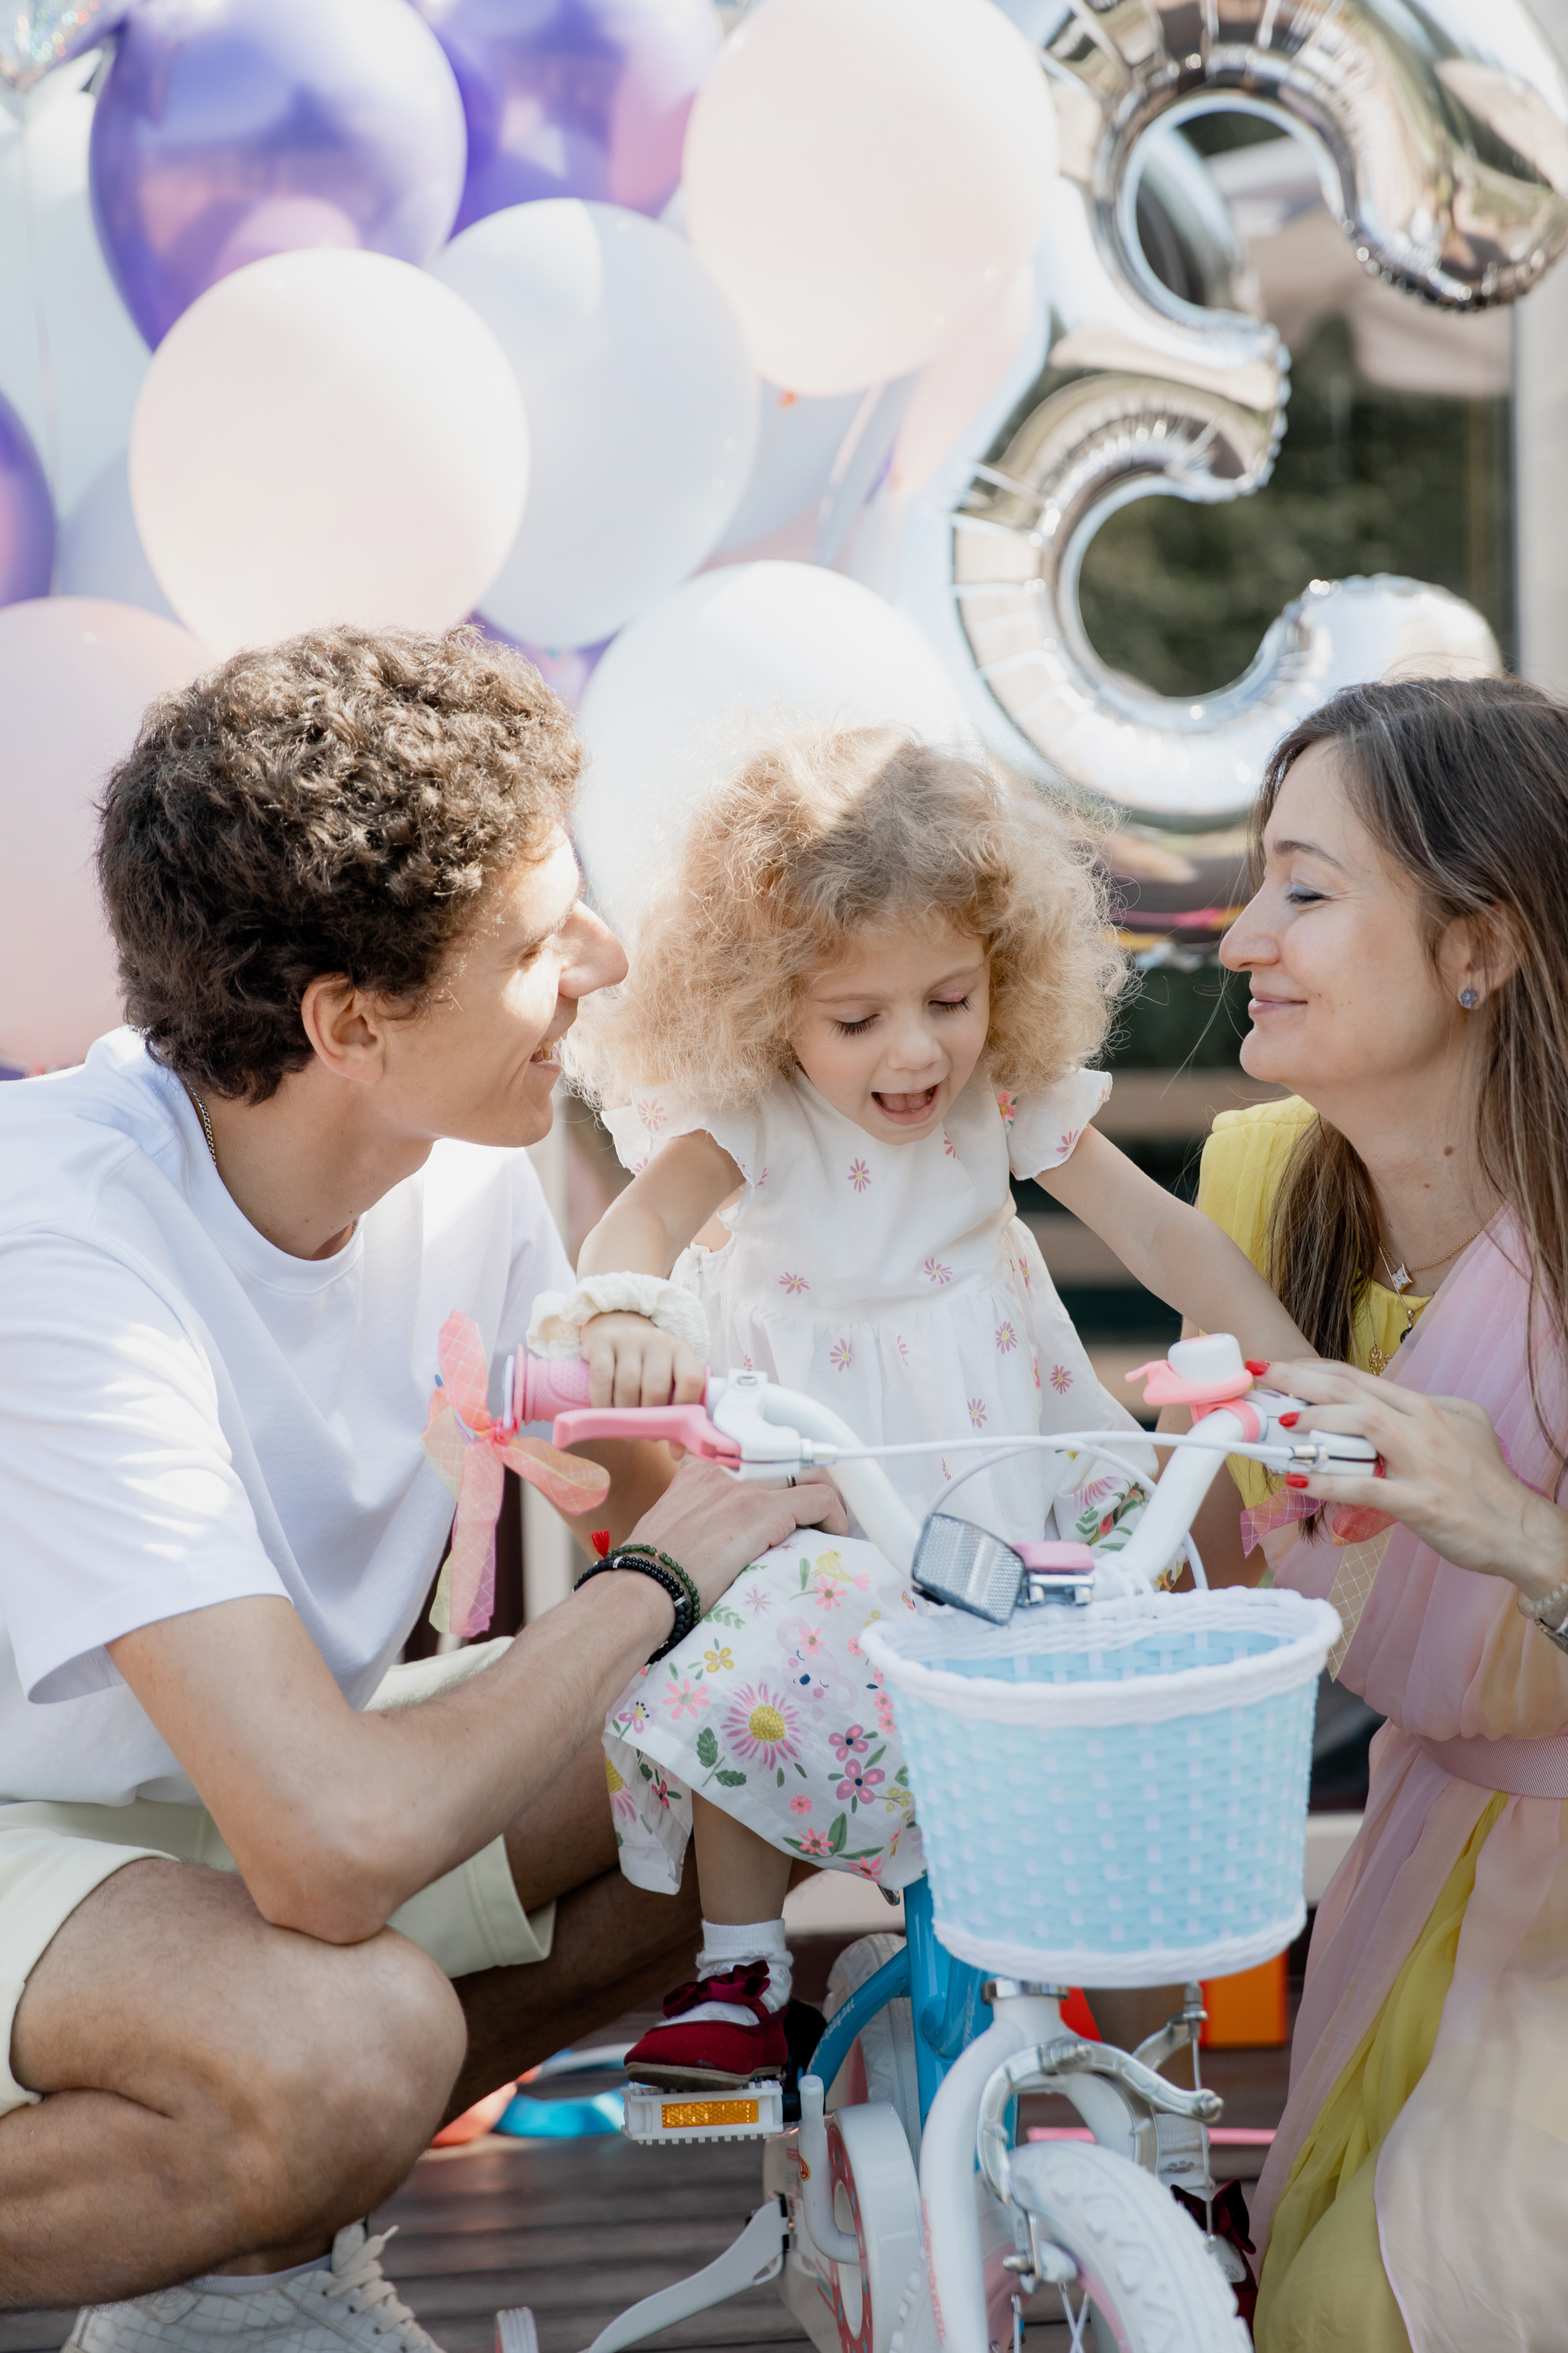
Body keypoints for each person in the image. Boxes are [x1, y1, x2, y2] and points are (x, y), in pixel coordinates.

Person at [0, 627, 848, 2352]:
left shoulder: (465, 1167)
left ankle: (257, 2241)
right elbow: (328, 1854)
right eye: (542, 942)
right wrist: (656, 1584)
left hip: (243, 1785)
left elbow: (631, 1476)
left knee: (747, 1751)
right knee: (350, 2046)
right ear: (350, 1022)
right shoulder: (62, 1252)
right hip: (43, 1825)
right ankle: (263, 2157)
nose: (603, 961)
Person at [552, 725, 1311, 2090]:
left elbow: (1169, 1244)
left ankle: (1163, 2112)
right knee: (748, 1639)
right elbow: (635, 1227)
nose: (916, 1051)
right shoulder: (761, 1120)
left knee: (1113, 1743)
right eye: (857, 1019)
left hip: (1013, 1469)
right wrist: (624, 1319)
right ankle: (741, 1971)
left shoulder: (998, 1101)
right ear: (766, 1005)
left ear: (1001, 976)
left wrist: (1288, 1370)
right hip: (830, 1488)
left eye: (951, 999)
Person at [1178, 676, 1568, 2352]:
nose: (1242, 936)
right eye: (1258, 880)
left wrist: (1518, 1527)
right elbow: (1240, 1585)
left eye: (1307, 889)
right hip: (1415, 1863)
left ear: (1479, 948)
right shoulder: (1258, 1185)